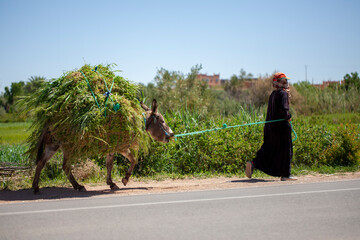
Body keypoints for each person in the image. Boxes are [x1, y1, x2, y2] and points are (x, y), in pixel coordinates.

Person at [245, 72, 297, 181]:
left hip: (270, 127)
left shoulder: (273, 94)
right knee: (286, 151)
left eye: (286, 81)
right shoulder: (283, 94)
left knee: (269, 149)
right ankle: (285, 175)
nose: (286, 83)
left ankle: (254, 163)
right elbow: (284, 111)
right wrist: (288, 117)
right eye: (284, 81)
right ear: (278, 83)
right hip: (281, 128)